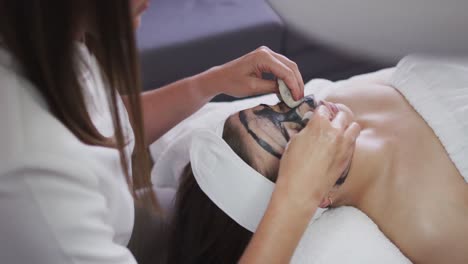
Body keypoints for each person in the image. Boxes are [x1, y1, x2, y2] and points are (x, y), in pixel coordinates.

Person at [0, 0, 358, 263]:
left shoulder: (43, 42)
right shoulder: (35, 179)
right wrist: (297, 195)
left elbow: (95, 122)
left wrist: (209, 83)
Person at [170, 60, 468, 263]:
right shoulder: (432, 228)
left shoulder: (342, 96)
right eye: (298, 136)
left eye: (274, 107)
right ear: (315, 194)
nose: (303, 106)